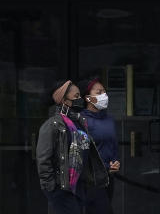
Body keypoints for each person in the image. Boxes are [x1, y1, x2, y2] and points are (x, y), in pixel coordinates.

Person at [36, 80, 109, 214]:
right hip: (62, 189)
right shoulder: (52, 125)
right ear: (64, 100)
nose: (80, 99)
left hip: (79, 187)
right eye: (76, 96)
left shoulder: (79, 122)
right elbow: (43, 159)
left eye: (80, 96)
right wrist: (52, 188)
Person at [81, 78, 121, 214]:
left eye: (104, 91)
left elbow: (113, 144)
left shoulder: (109, 120)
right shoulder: (82, 120)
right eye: (99, 92)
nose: (104, 95)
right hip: (92, 178)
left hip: (109, 177)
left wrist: (115, 163)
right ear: (88, 98)